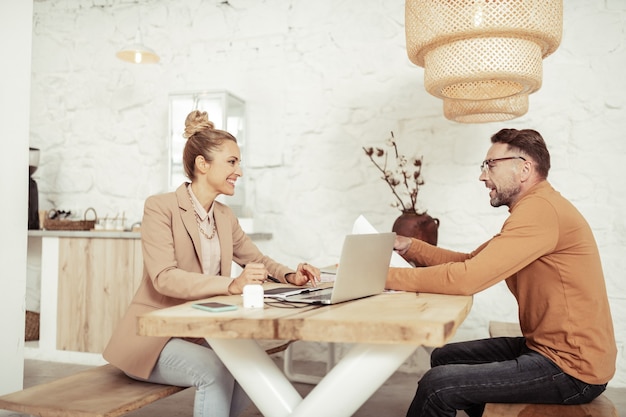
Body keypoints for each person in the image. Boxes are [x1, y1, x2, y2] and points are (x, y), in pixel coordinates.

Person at [103, 110, 320, 417]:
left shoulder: (223, 215)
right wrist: (232, 285)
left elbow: (255, 258)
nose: (239, 171)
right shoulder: (160, 207)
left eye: (238, 162)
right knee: (215, 370)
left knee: (253, 370)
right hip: (153, 338)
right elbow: (164, 277)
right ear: (202, 165)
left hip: (198, 330)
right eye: (232, 162)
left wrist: (290, 275)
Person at [386, 128, 616, 417]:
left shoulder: (541, 212)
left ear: (524, 169)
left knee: (438, 386)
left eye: (490, 165)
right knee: (444, 357)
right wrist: (410, 247)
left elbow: (468, 277)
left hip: (572, 369)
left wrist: (383, 278)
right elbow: (471, 260)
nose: (482, 176)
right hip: (546, 349)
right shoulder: (534, 210)